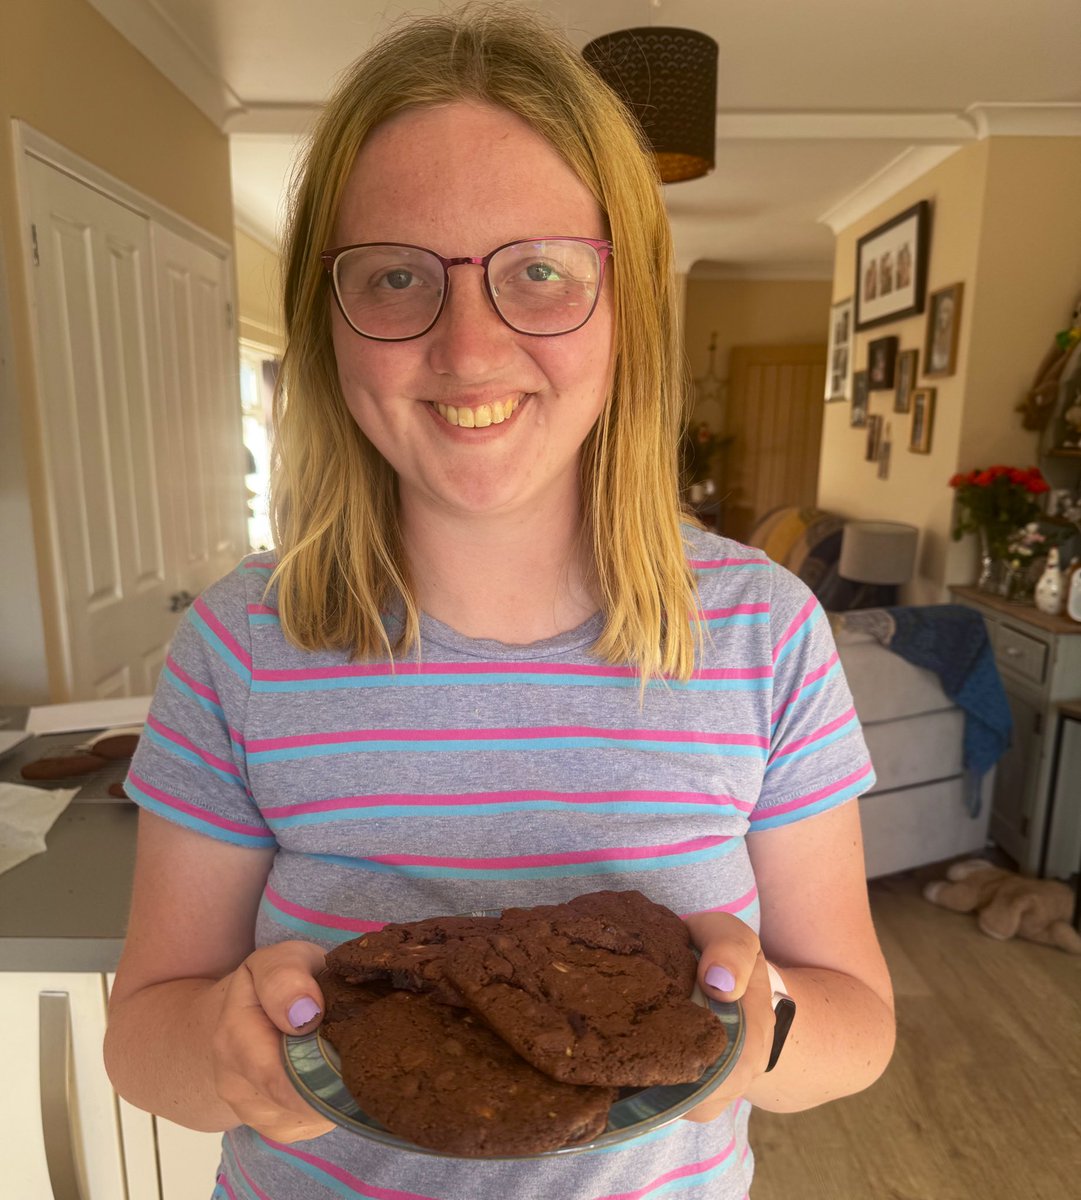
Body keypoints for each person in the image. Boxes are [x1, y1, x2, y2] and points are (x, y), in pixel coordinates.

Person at [103, 7, 895, 1199]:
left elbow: (858, 1027)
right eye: (395, 276)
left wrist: (755, 1029)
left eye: (538, 271)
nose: (468, 351)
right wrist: (222, 1049)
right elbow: (144, 1039)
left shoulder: (762, 631)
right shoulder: (239, 644)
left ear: (626, 308)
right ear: (330, 324)